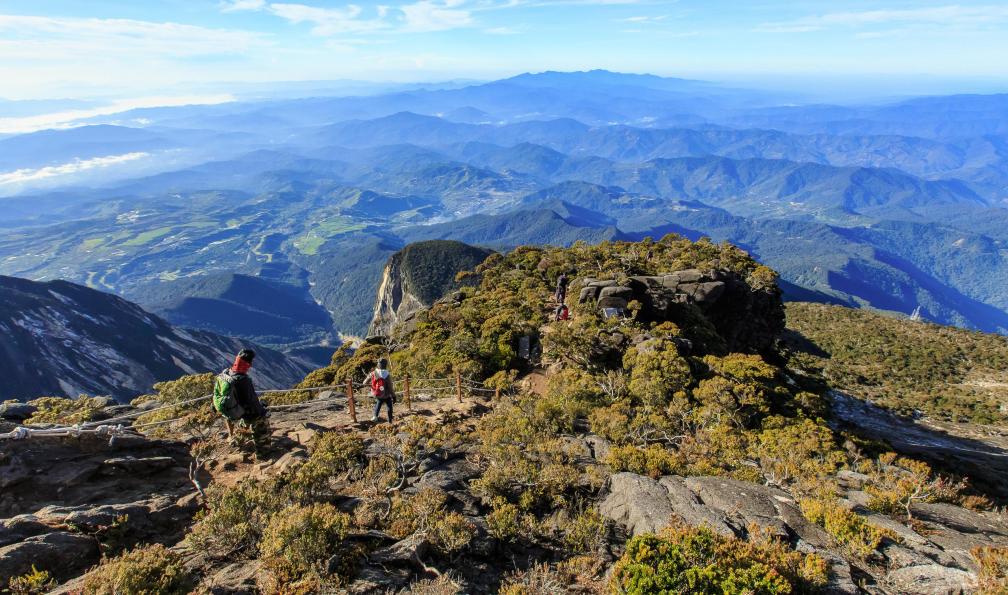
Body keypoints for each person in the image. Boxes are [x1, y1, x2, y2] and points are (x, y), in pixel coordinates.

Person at [214, 348, 270, 452]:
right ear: (248, 364)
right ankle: (263, 452)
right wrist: (262, 410)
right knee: (260, 419)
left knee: (247, 417)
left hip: (231, 410)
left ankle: (235, 437)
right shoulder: (243, 380)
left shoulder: (227, 373)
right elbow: (252, 403)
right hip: (243, 413)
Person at [367, 358, 396, 423]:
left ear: (378, 364)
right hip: (386, 395)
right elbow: (390, 387)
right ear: (385, 365)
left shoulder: (373, 373)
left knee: (378, 403)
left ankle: (375, 416)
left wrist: (372, 387)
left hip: (377, 393)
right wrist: (394, 396)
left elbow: (364, 383)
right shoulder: (387, 374)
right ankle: (390, 420)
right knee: (389, 406)